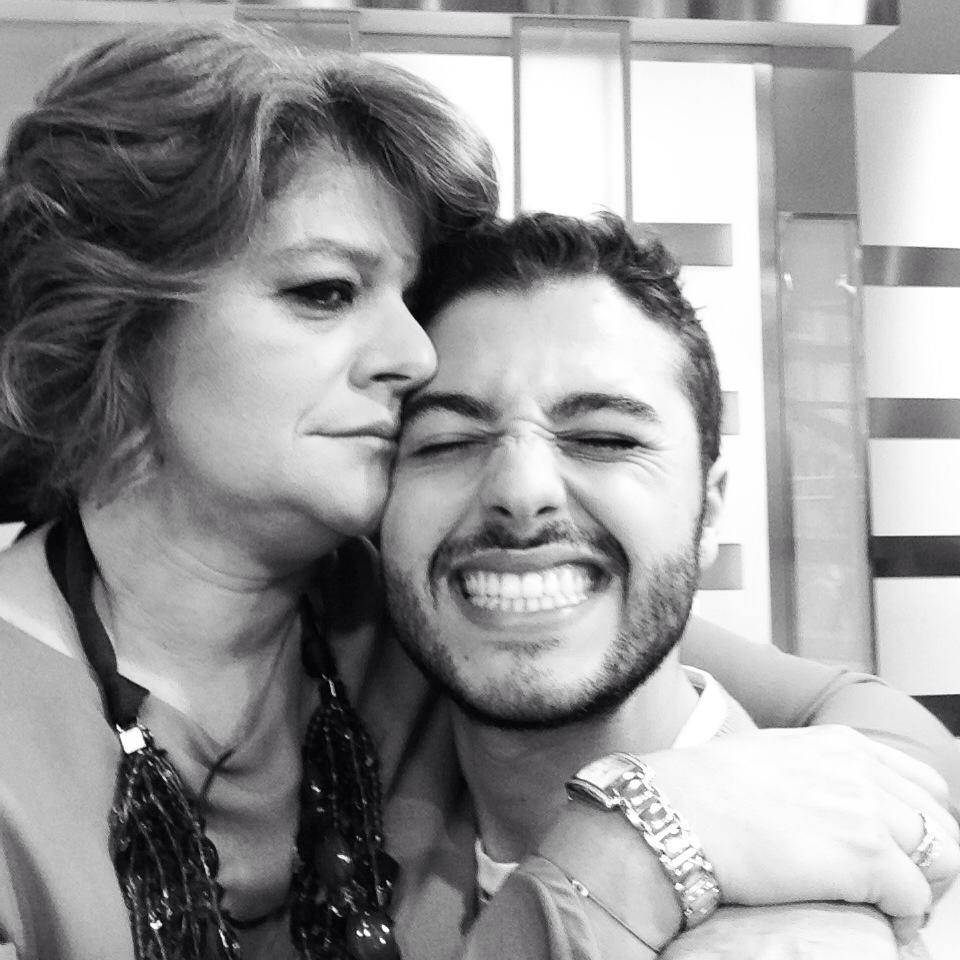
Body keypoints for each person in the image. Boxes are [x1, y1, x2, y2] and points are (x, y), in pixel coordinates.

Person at [0, 22, 957, 960]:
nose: (415, 355)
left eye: (409, 302)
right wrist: (628, 853)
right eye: (326, 292)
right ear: (111, 323)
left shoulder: (401, 606)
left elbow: (867, 728)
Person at [379, 211, 960, 959]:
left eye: (605, 439)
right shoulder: (352, 814)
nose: (520, 491)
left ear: (709, 509)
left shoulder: (843, 922)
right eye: (448, 442)